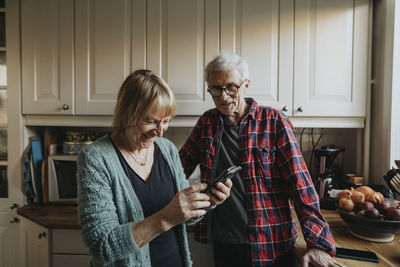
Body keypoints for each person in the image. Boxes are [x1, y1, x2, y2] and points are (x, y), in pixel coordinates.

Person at [179, 53, 345, 267]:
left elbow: (301, 187)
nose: (223, 96)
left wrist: (318, 244)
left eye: (231, 87)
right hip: (225, 243)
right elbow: (177, 169)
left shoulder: (274, 121)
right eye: (215, 89)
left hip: (272, 243)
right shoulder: (207, 123)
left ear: (246, 85)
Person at [77, 69, 232, 267]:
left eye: (166, 121)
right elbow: (102, 244)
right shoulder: (96, 159)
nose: (159, 131)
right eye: (151, 121)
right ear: (127, 114)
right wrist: (166, 217)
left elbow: (184, 218)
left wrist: (206, 202)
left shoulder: (166, 149)